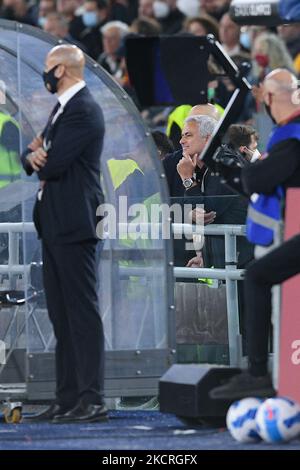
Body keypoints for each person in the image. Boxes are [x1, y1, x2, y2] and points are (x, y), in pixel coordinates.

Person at [21, 45, 107, 423]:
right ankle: (67, 396)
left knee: (81, 313)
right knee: (60, 313)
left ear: (62, 70)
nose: (45, 75)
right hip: (57, 222)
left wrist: (40, 156)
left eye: (48, 69)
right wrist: (35, 155)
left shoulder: (84, 110)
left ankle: (92, 398)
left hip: (75, 222)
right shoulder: (63, 109)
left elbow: (51, 163)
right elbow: (31, 156)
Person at [210, 68, 300, 399]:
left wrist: (243, 174)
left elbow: (259, 180)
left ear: (271, 98)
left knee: (257, 276)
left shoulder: (291, 136)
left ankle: (258, 372)